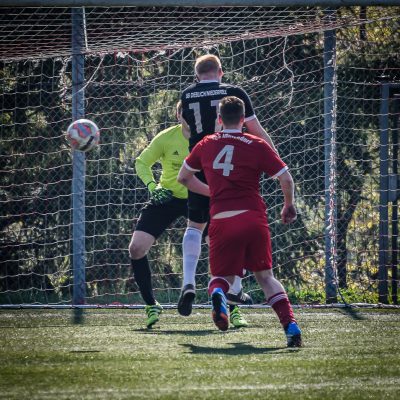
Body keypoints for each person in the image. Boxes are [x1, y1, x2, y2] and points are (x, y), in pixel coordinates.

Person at [177, 96, 302, 347]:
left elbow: (184, 178)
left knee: (218, 278)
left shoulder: (206, 143)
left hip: (223, 218)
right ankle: (291, 326)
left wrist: (214, 192)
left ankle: (220, 296)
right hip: (254, 218)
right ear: (243, 120)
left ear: (219, 120)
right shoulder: (256, 144)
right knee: (266, 277)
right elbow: (286, 179)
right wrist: (288, 204)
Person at [129, 101, 248, 329]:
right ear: (179, 116)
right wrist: (153, 187)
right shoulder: (166, 137)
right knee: (136, 248)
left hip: (204, 196)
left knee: (222, 250)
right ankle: (151, 304)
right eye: (187, 114)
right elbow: (142, 162)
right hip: (169, 198)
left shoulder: (214, 138)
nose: (192, 118)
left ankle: (232, 308)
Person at [178, 54, 277, 317]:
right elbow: (255, 129)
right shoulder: (234, 92)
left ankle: (188, 282)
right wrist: (274, 159)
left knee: (195, 226)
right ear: (220, 71)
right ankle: (233, 288)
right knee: (235, 226)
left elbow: (186, 130)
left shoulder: (186, 95)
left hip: (202, 165)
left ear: (197, 75)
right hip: (232, 172)